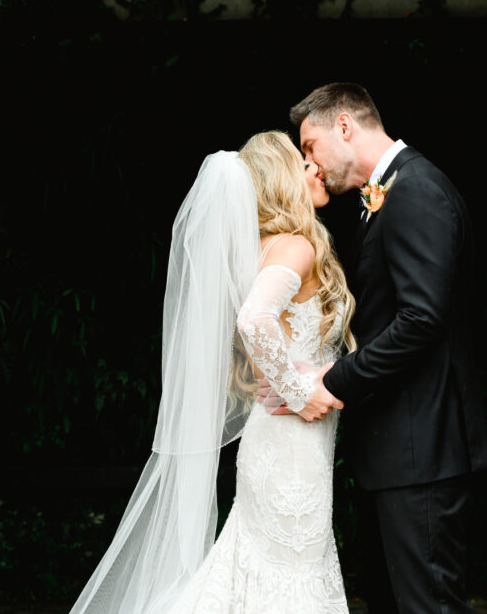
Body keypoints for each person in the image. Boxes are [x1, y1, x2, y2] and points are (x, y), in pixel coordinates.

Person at [69, 131, 355, 614]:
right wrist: (299, 390)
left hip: (279, 440)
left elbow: (278, 333)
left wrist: (310, 373)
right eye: (301, 162)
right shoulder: (297, 245)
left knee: (260, 575)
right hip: (291, 444)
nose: (314, 168)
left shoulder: (264, 246)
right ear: (284, 179)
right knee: (291, 578)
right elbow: (253, 320)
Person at [286, 82, 487, 614]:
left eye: (310, 146)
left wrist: (334, 380)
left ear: (345, 126)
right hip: (400, 450)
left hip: (421, 449)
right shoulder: (387, 194)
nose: (310, 162)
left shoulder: (417, 190)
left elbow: (422, 320)